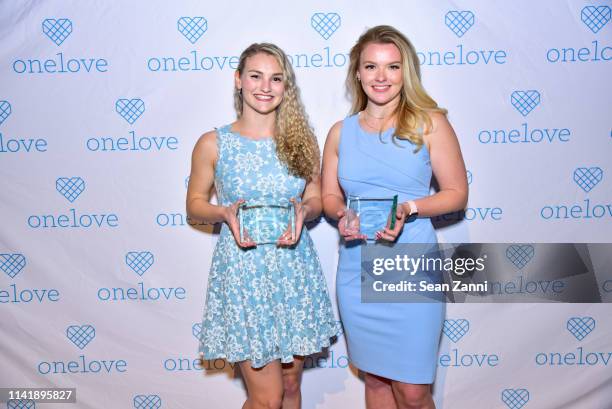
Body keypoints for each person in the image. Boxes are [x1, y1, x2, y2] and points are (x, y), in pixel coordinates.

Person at [321, 26, 468, 409]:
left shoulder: (430, 123)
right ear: (357, 72)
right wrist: (341, 214)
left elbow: (456, 194)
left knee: (414, 392)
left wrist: (410, 207)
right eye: (371, 66)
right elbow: (329, 195)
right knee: (376, 381)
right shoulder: (340, 132)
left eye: (392, 67)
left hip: (411, 263)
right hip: (357, 266)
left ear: (407, 72)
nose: (380, 77)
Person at [187, 43, 340, 409]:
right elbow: (194, 204)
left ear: (287, 87)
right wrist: (223, 213)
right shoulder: (213, 143)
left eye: (276, 79)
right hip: (244, 272)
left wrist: (306, 210)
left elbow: (316, 197)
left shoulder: (301, 142)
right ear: (238, 80)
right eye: (255, 76)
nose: (265, 87)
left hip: (293, 269)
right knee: (268, 399)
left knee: (290, 387)